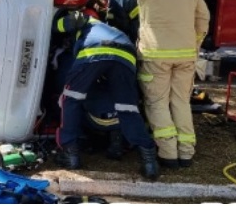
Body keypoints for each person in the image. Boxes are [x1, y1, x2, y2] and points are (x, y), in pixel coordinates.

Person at [85, 0, 210, 169]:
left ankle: (168, 154)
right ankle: (187, 153)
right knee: (180, 101)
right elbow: (203, 18)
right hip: (186, 55)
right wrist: (195, 44)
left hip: (155, 55)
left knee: (157, 103)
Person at [52, 10, 159, 180]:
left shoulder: (86, 21)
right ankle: (149, 162)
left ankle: (70, 155)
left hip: (94, 51)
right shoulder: (110, 28)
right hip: (126, 54)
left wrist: (54, 26)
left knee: (70, 99)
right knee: (128, 109)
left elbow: (65, 23)